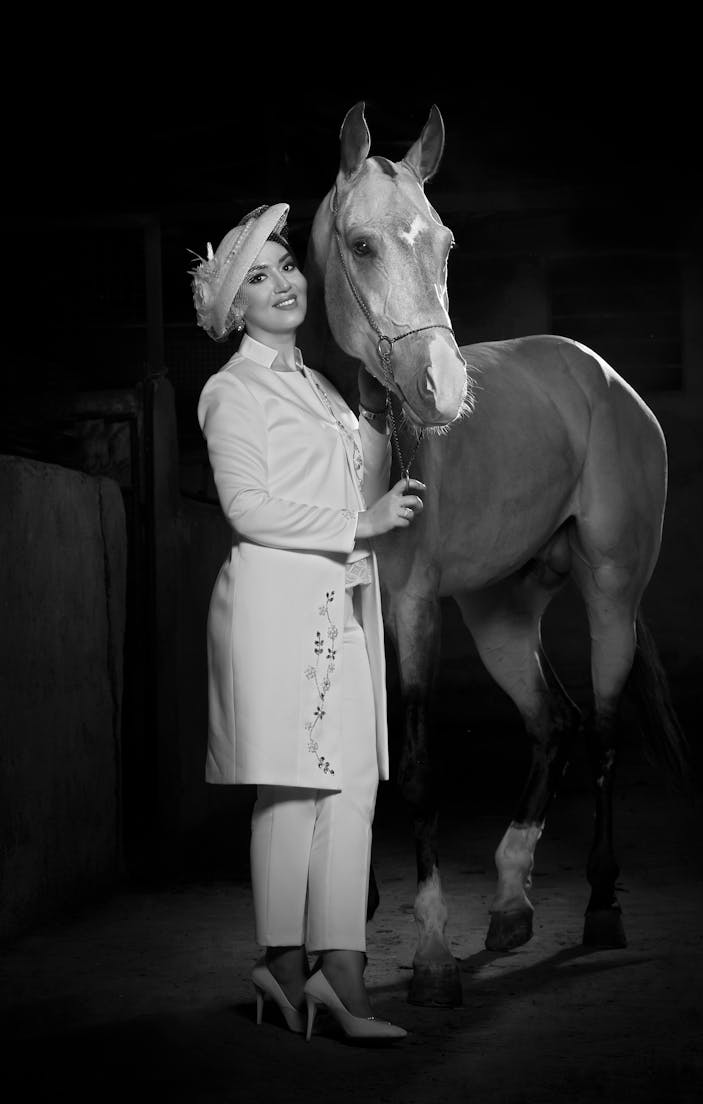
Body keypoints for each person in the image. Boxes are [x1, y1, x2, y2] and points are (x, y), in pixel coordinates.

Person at [190, 203, 424, 1043]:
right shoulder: (230, 390)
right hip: (278, 604)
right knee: (292, 792)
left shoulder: (319, 385)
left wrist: (379, 417)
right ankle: (301, 968)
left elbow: (357, 479)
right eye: (258, 276)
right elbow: (246, 507)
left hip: (338, 598)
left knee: (350, 786)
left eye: (287, 266)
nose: (283, 282)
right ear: (233, 311)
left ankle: (323, 972)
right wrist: (357, 526)